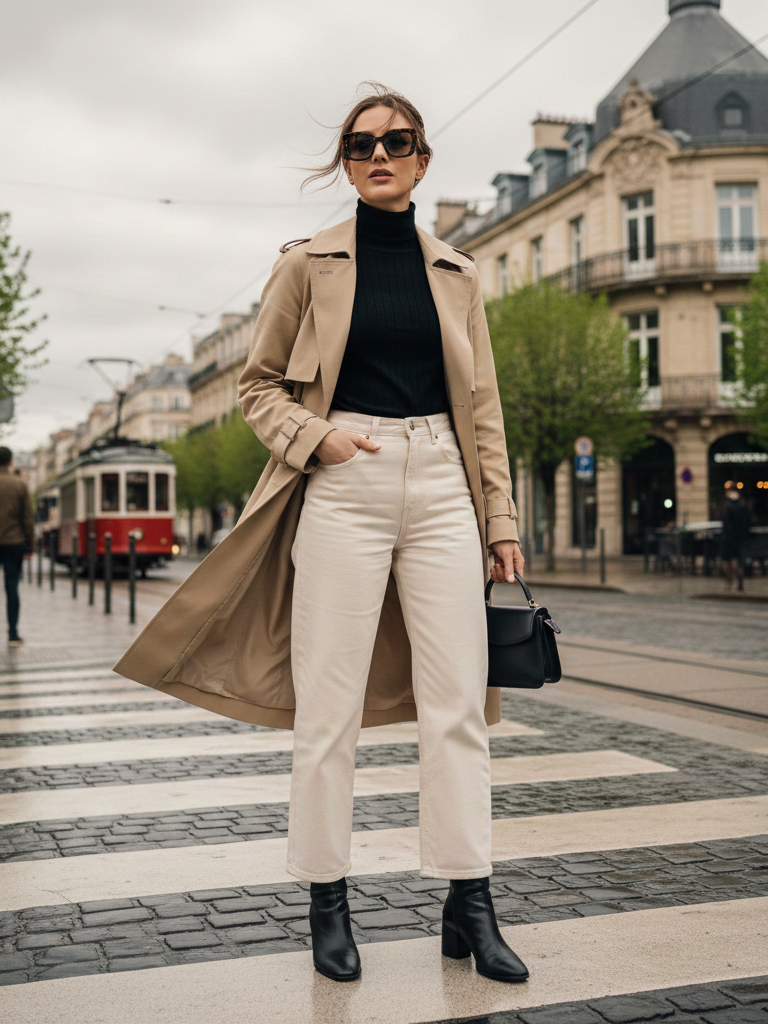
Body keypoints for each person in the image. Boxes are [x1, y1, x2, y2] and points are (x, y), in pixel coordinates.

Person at [114, 83, 527, 985]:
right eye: (361, 144)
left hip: (444, 484)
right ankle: (327, 900)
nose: (379, 155)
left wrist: (501, 517)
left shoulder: (458, 272)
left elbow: (484, 406)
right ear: (345, 163)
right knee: (327, 712)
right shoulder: (306, 265)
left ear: (423, 159)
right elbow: (260, 385)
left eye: (398, 141)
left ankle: (469, 901)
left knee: (459, 709)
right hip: (344, 480)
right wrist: (319, 437)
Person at [0, 447, 34, 646]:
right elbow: (27, 518)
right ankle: (13, 634)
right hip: (14, 542)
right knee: (12, 587)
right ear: (11, 462)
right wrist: (30, 544)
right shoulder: (19, 485)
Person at [720, 485, 751, 591]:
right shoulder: (743, 504)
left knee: (726, 560)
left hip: (728, 537)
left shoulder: (727, 505)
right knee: (738, 560)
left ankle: (729, 582)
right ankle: (740, 583)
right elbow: (748, 521)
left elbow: (725, 521)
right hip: (740, 537)